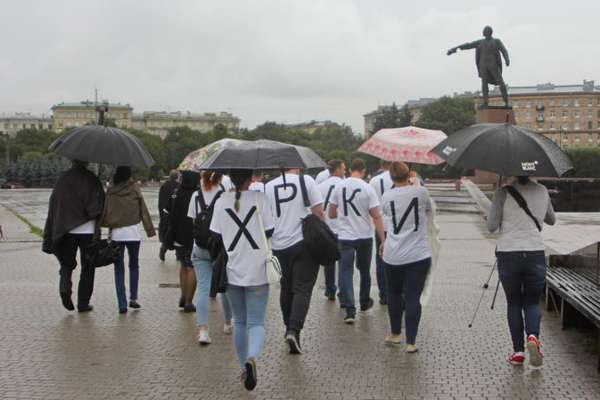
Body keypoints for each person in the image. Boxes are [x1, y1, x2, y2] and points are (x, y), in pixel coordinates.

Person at [210, 169, 274, 391]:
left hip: (232, 268)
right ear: (250, 179)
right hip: (257, 268)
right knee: (256, 322)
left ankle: (243, 367)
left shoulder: (220, 202)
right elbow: (269, 230)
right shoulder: (260, 198)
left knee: (239, 321)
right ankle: (252, 357)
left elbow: (216, 235)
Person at [487, 176, 555, 367]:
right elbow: (552, 219)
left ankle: (518, 352)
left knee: (514, 302)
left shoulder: (502, 192)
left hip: (508, 253)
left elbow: (491, 226)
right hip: (534, 252)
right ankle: (533, 336)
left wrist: (498, 208)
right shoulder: (542, 190)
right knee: (532, 301)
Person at [265, 168, 324, 354]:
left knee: (286, 287)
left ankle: (287, 326)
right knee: (303, 288)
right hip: (303, 242)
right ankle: (294, 330)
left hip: (279, 244)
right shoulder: (306, 181)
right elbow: (318, 211)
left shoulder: (269, 186)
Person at [380, 161, 433, 353]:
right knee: (413, 297)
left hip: (393, 254)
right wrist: (415, 183)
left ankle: (395, 334)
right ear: (408, 173)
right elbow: (428, 209)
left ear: (391, 177)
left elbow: (386, 219)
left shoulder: (386, 195)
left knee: (394, 294)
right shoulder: (420, 192)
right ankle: (411, 341)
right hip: (418, 254)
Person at [42, 160, 105, 312]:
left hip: (66, 230)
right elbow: (98, 205)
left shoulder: (62, 179)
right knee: (88, 267)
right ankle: (83, 303)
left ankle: (65, 287)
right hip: (88, 231)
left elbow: (55, 203)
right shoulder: (92, 179)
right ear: (86, 162)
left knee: (66, 263)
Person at [329, 159, 385, 324]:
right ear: (363, 170)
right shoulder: (368, 188)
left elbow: (331, 214)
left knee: (346, 272)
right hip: (365, 236)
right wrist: (383, 239)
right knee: (364, 270)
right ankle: (364, 302)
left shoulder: (339, 186)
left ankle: (350, 309)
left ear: (351, 169)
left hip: (345, 236)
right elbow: (376, 215)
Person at [101, 166, 155, 314]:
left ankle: (122, 304)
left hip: (117, 234)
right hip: (133, 233)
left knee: (118, 268)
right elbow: (143, 209)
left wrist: (100, 227)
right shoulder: (135, 188)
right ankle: (134, 297)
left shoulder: (111, 190)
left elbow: (105, 211)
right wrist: (150, 229)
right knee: (134, 265)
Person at [187, 170, 232, 344]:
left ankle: (203, 330)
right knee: (224, 286)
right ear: (220, 177)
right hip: (219, 247)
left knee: (203, 289)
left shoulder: (195, 195)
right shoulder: (224, 196)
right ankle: (228, 323)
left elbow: (193, 222)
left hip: (199, 247)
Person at [167, 170, 200, 313]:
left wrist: (171, 236)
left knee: (183, 265)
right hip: (193, 235)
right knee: (191, 267)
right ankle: (189, 301)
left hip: (179, 235)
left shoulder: (177, 193)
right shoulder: (198, 195)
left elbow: (172, 216)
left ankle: (183, 294)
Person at [317, 159, 345, 301]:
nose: (345, 171)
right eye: (343, 168)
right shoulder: (343, 185)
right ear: (338, 169)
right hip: (341, 227)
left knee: (329, 261)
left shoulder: (320, 186)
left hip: (326, 227)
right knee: (343, 262)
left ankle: (330, 290)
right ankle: (342, 290)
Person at [369, 160, 393, 305]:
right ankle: (396, 291)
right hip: (397, 225)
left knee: (380, 259)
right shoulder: (401, 177)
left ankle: (384, 294)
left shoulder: (374, 180)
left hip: (381, 224)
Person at [158, 170, 180, 261]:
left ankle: (164, 248)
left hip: (166, 214)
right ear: (177, 177)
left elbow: (160, 201)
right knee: (178, 235)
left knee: (167, 234)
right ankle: (178, 254)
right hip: (177, 215)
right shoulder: (179, 187)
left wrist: (161, 214)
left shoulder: (164, 186)